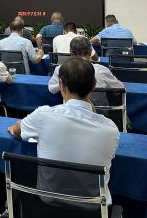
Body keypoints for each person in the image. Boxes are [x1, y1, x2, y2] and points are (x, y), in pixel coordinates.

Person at [8, 57, 119, 206]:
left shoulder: (43, 115)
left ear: (61, 84)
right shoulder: (111, 130)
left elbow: (16, 131)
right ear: (94, 85)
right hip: (93, 211)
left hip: (46, 206)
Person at [49, 36, 123, 95]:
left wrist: (65, 83)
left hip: (71, 109)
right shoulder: (102, 70)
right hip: (99, 109)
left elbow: (52, 89)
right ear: (90, 52)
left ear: (71, 52)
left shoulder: (60, 70)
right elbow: (119, 90)